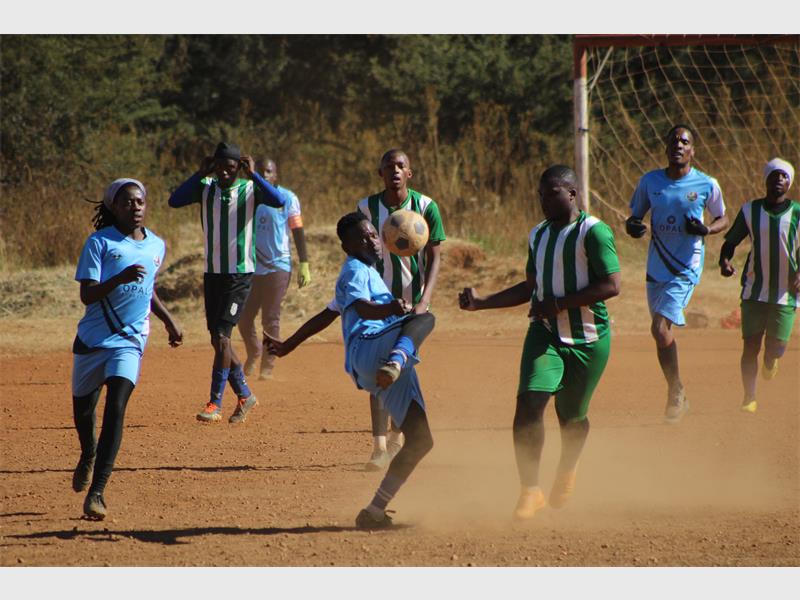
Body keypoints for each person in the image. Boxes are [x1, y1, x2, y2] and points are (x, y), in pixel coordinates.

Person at [458, 165, 620, 521]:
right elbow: (531, 286)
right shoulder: (539, 235)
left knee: (572, 417)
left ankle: (568, 467)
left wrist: (560, 304)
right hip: (544, 332)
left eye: (551, 193)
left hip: (589, 340)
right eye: (540, 194)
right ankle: (530, 489)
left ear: (572, 194)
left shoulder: (594, 232)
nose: (543, 201)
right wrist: (482, 302)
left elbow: (612, 285)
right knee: (530, 403)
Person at [265, 212, 436, 529]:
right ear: (347, 246)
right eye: (363, 237)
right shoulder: (354, 270)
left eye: (373, 235)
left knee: (421, 440)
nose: (372, 241)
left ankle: (373, 511)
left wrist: (289, 345)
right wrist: (390, 309)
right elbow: (361, 308)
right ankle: (398, 359)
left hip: (379, 360)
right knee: (424, 319)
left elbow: (325, 315)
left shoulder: (366, 273)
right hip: (372, 347)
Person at [72, 178, 183, 520]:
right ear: (112, 207)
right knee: (84, 413)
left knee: (116, 408)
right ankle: (88, 453)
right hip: (92, 340)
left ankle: (98, 492)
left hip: (131, 340)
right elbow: (87, 295)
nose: (135, 207)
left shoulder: (156, 246)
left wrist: (168, 321)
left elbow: (148, 290)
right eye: (127, 202)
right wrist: (118, 279)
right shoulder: (99, 243)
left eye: (140, 202)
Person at [168, 142, 286, 424]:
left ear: (239, 168)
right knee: (217, 339)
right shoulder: (205, 186)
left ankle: (215, 403)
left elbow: (278, 200)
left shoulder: (249, 189)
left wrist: (254, 173)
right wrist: (199, 173)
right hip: (213, 274)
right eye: (220, 166)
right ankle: (245, 395)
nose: (224, 172)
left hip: (240, 275)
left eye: (230, 168)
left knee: (222, 337)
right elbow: (174, 200)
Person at [625, 124, 728, 424]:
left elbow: (722, 216)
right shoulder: (650, 181)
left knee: (659, 328)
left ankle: (674, 393)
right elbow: (634, 217)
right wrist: (632, 227)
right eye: (673, 141)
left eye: (684, 142)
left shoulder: (707, 184)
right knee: (662, 335)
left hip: (686, 266)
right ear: (666, 148)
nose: (678, 145)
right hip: (656, 266)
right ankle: (678, 389)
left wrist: (707, 229)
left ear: (692, 150)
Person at [357, 149, 445, 470]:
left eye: (400, 166)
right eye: (388, 166)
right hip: (380, 304)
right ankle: (379, 447)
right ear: (379, 173)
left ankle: (396, 439)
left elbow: (435, 256)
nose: (394, 170)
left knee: (400, 367)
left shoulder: (426, 207)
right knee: (376, 368)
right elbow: (360, 254)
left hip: (414, 303)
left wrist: (425, 299)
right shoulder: (367, 208)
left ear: (410, 172)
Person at [718, 158, 799, 413]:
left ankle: (771, 359)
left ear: (790, 182)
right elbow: (730, 241)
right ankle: (749, 397)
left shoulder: (797, 212)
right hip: (754, 288)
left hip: (786, 293)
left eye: (784, 176)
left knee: (776, 347)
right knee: (750, 344)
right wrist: (724, 260)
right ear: (765, 179)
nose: (779, 180)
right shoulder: (750, 211)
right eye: (774, 175)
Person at [237, 158, 311, 381]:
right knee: (243, 316)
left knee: (270, 318)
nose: (264, 175)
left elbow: (297, 230)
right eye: (259, 171)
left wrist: (304, 262)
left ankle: (268, 365)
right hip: (251, 268)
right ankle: (254, 351)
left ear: (275, 175)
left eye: (268, 171)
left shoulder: (287, 198)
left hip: (278, 266)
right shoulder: (247, 197)